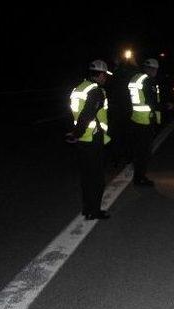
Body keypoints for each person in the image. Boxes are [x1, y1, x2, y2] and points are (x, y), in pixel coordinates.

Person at [67, 59, 112, 220]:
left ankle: (87, 208)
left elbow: (75, 113)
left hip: (82, 141)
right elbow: (86, 115)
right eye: (104, 75)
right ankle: (94, 210)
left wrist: (74, 134)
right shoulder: (96, 91)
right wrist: (76, 133)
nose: (105, 78)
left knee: (86, 177)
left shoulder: (79, 88)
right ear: (99, 75)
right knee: (97, 179)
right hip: (92, 139)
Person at [128, 58, 161, 186]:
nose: (156, 72)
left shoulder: (135, 78)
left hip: (135, 118)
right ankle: (140, 178)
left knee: (138, 150)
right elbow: (152, 101)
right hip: (146, 120)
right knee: (144, 152)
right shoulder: (148, 81)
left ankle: (138, 175)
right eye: (155, 70)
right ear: (151, 69)